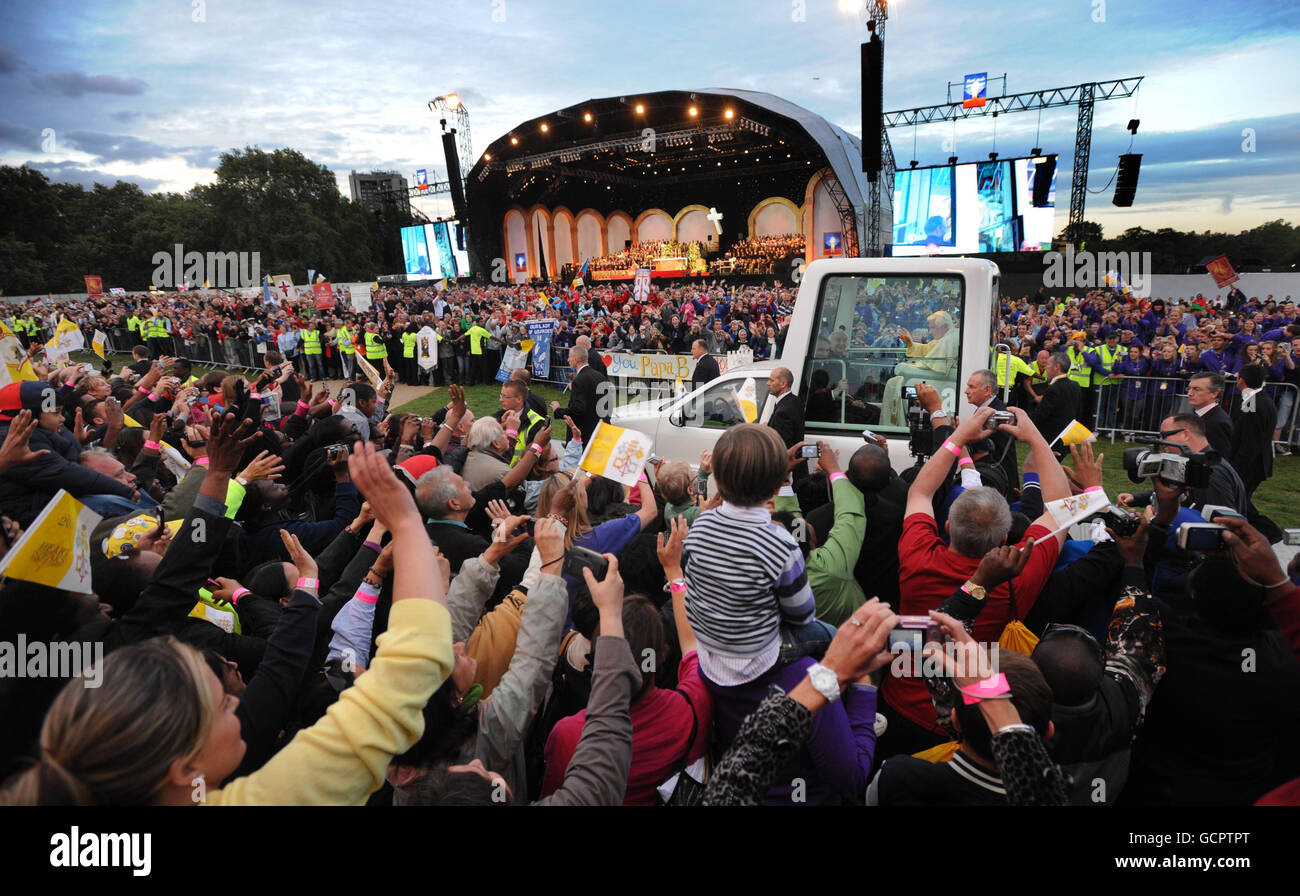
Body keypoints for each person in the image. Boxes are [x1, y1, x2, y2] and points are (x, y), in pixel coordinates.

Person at [1228, 364, 1277, 521]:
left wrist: (1236, 469)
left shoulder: (1253, 404)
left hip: (1251, 465)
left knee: (1239, 504)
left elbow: (1249, 442)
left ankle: (1267, 531)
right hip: (1255, 463)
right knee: (1241, 502)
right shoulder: (1257, 399)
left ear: (1241, 380)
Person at [550, 346, 609, 447]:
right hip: (600, 430)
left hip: (584, 434)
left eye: (569, 357)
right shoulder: (600, 376)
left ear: (576, 359)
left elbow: (578, 409)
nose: (568, 360)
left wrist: (558, 410)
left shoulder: (579, 380)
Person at [1026, 351, 1082, 452]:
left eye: (1048, 364)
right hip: (1066, 439)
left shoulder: (1054, 389)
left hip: (1051, 441)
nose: (1045, 367)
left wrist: (1022, 421)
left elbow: (1040, 415)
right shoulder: (1075, 385)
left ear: (1057, 367)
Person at [1186, 372, 1234, 458]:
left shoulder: (1218, 423)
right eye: (1189, 388)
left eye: (1196, 389)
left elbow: (1218, 460)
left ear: (1214, 394)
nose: (1190, 393)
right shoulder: (1197, 414)